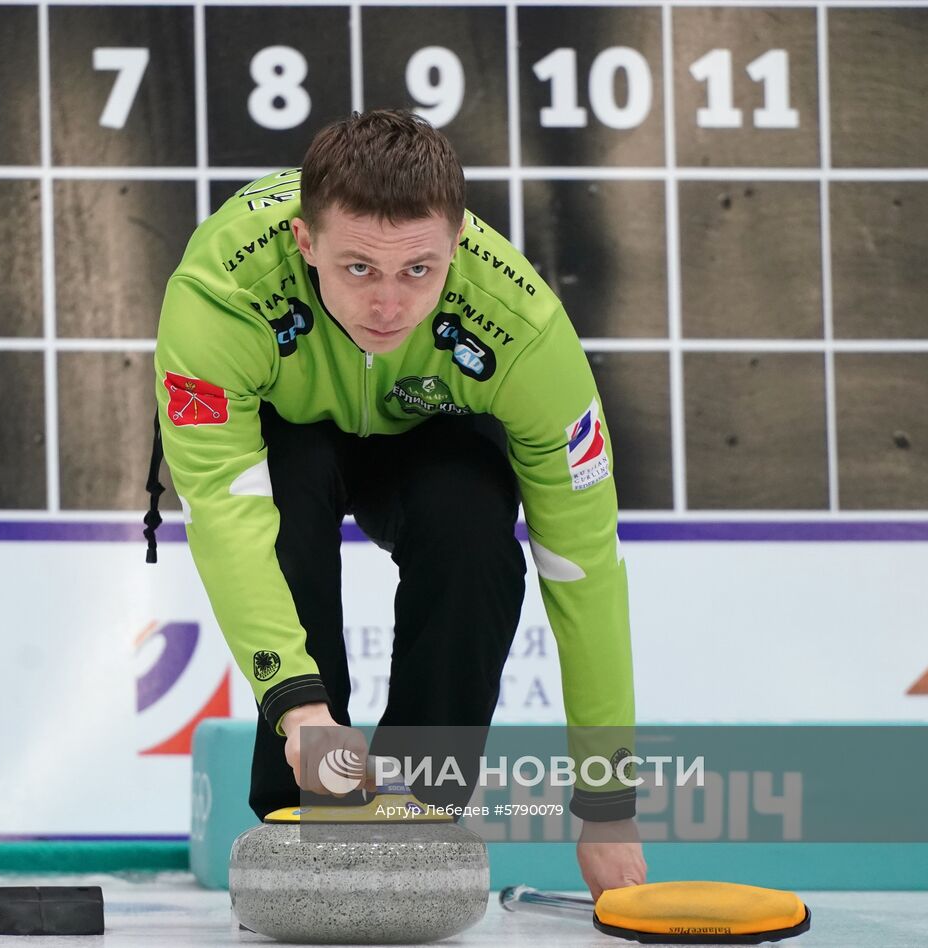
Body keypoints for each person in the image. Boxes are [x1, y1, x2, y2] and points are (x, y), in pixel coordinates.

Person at [144, 109, 645, 899]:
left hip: (430, 433)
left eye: (420, 271)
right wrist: (299, 711)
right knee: (283, 513)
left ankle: (420, 817)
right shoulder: (219, 294)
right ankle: (302, 812)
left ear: (457, 247)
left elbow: (583, 570)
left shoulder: (525, 332)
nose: (388, 305)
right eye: (358, 269)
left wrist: (608, 806)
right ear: (307, 246)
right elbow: (226, 517)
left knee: (476, 532)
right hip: (292, 430)